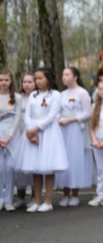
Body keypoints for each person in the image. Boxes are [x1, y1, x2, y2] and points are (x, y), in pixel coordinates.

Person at [15, 68, 68, 212]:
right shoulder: (33, 95)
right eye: (36, 79)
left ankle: (48, 201)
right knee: (35, 168)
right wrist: (30, 131)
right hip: (32, 133)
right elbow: (27, 114)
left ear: (48, 79)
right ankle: (37, 201)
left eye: (40, 78)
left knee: (48, 167)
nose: (37, 81)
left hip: (48, 132)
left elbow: (52, 115)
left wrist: (36, 129)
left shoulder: (55, 95)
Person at [56, 67, 93, 207]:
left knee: (75, 159)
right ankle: (65, 192)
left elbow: (87, 113)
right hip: (63, 129)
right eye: (63, 74)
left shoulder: (82, 93)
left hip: (76, 129)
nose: (64, 77)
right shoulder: (61, 94)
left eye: (67, 74)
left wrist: (71, 120)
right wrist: (59, 119)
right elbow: (57, 111)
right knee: (64, 158)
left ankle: (75, 193)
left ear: (75, 77)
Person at [13, 73, 35, 209]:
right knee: (19, 168)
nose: (27, 84)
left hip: (32, 135)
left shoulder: (37, 97)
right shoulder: (17, 98)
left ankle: (34, 196)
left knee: (32, 167)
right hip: (18, 135)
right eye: (24, 82)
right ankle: (20, 196)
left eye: (30, 82)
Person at [0, 70, 21, 211]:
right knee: (0, 168)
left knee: (9, 168)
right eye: (1, 80)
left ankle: (8, 199)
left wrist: (9, 136)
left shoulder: (17, 97)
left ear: (11, 81)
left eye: (6, 80)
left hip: (12, 136)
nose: (3, 83)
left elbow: (17, 118)